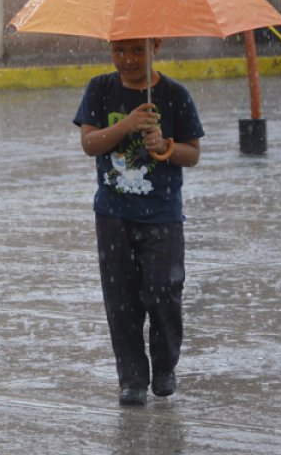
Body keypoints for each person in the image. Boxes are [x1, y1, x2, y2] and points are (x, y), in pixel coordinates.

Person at [72, 38, 204, 406]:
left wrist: (164, 147)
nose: (127, 60)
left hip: (162, 214)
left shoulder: (175, 94)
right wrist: (127, 125)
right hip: (113, 215)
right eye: (119, 51)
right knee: (121, 300)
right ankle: (131, 377)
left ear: (156, 46)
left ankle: (164, 365)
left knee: (164, 291)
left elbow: (192, 154)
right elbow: (90, 143)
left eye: (137, 51)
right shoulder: (100, 88)